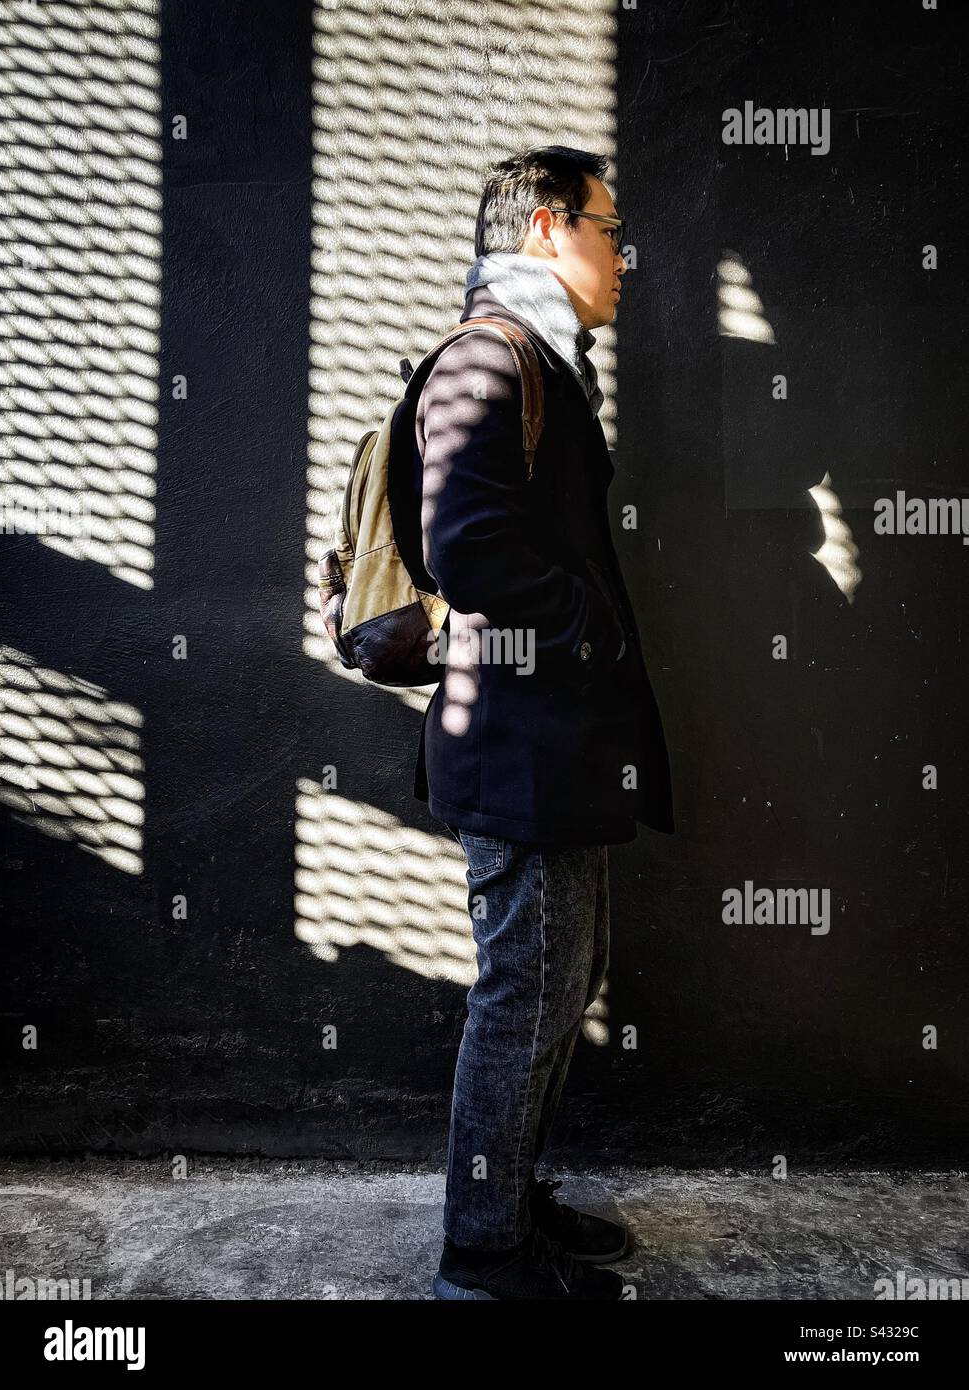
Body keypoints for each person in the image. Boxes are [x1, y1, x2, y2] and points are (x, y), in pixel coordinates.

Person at [412, 146, 675, 1300]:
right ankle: (482, 1253)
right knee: (526, 990)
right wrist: (578, 624)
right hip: (516, 740)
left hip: (549, 742)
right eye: (609, 229)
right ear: (542, 228)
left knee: (563, 979)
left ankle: (507, 1198)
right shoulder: (488, 354)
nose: (623, 254)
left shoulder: (540, 359)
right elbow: (459, 546)